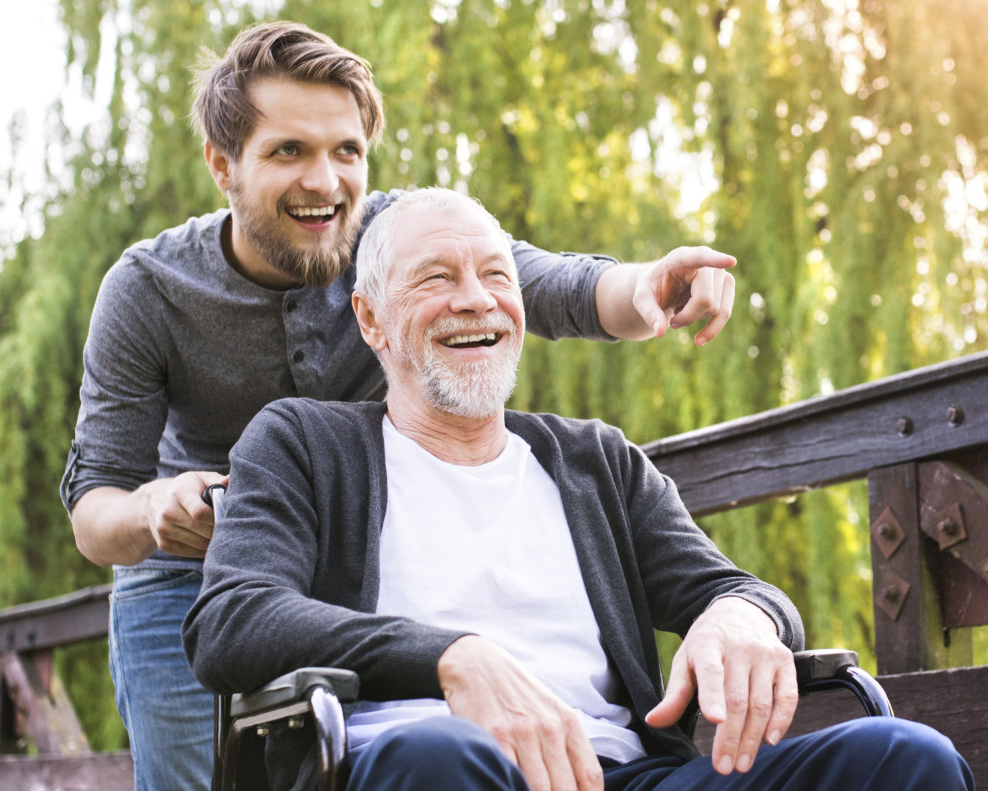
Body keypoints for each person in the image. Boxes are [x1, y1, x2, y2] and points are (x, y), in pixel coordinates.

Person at [61, 21, 741, 790]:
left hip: (361, 554)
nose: (325, 181)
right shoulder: (148, 290)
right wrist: (155, 509)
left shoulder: (400, 237)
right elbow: (94, 515)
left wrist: (648, 285)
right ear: (224, 165)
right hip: (199, 574)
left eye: (345, 151)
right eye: (289, 151)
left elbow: (546, 286)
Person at [183, 188, 974, 791]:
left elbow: (730, 587)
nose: (476, 297)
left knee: (903, 758)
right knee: (441, 754)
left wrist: (741, 613)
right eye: (437, 277)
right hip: (429, 766)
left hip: (618, 774)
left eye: (496, 274)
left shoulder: (596, 460)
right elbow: (233, 620)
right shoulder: (303, 443)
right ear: (371, 318)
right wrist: (451, 657)